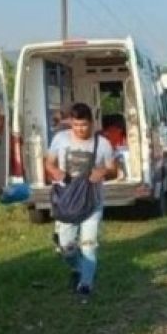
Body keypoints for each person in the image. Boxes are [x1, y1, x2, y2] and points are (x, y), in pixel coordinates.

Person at [44, 103, 116, 302]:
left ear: (91, 123)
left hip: (92, 202)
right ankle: (79, 267)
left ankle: (86, 284)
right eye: (76, 125)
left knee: (89, 245)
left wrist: (103, 172)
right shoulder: (60, 139)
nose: (79, 129)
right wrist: (54, 171)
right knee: (66, 247)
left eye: (83, 125)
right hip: (67, 201)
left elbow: (114, 169)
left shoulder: (102, 144)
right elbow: (48, 162)